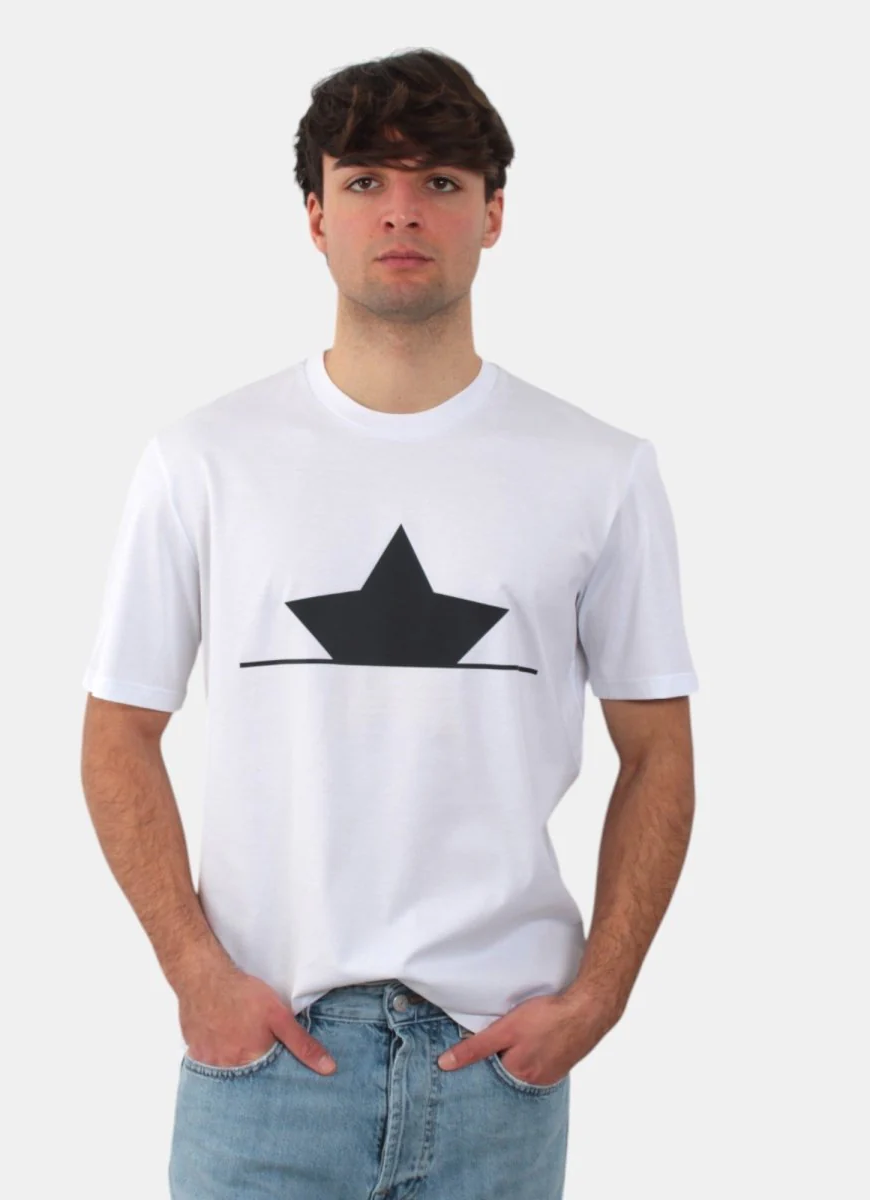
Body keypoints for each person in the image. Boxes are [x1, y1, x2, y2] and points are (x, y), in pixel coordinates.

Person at [80, 47, 698, 1200]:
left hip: (496, 1066)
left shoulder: (599, 471)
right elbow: (118, 730)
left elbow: (658, 751)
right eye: (366, 180)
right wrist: (195, 972)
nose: (402, 211)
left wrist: (599, 997)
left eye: (441, 182)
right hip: (266, 1060)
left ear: (493, 215)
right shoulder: (202, 461)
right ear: (316, 216)